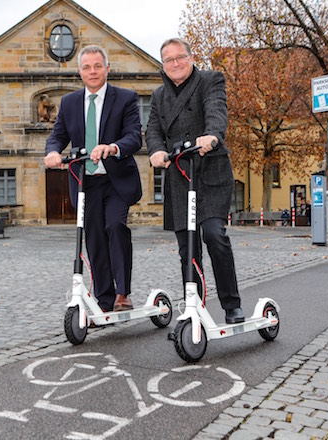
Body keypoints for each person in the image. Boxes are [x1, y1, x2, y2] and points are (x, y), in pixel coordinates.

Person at [146, 38, 244, 324]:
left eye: (180, 57)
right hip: (179, 174)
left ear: (191, 57)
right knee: (187, 247)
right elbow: (152, 130)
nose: (175, 64)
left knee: (214, 235)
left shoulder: (210, 80)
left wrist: (211, 136)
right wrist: (155, 151)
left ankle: (231, 304)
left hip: (210, 170)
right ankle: (194, 307)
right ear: (163, 64)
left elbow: (216, 111)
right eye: (169, 60)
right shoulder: (158, 96)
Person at [44, 45, 142, 313]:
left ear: (107, 69)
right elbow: (58, 135)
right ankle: (105, 298)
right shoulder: (70, 102)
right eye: (87, 67)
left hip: (116, 180)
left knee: (114, 227)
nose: (93, 71)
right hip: (85, 182)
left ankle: (123, 293)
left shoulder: (125, 98)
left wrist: (112, 147)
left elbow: (134, 136)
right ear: (80, 72)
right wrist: (52, 151)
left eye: (98, 66)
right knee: (95, 238)